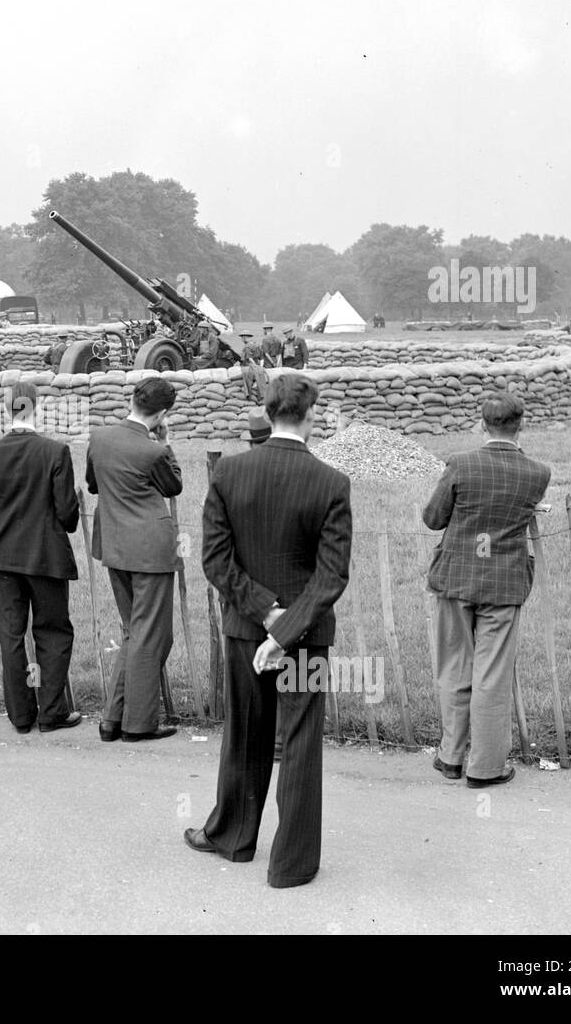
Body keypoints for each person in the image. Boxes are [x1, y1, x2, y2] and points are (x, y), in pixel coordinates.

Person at [186, 373, 352, 888]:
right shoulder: (331, 482)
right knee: (300, 742)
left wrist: (264, 615)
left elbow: (215, 560)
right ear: (310, 416)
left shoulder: (230, 473)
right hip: (303, 637)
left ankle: (233, 838)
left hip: (245, 629)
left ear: (267, 410)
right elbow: (331, 576)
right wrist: (286, 628)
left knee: (244, 734)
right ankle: (293, 864)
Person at [422, 391, 551, 789]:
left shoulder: (460, 464)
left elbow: (433, 518)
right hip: (504, 582)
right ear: (521, 426)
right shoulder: (537, 473)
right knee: (491, 676)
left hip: (457, 579)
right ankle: (485, 767)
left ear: (482, 424)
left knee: (454, 669)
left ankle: (450, 757)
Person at [0, 381, 80, 735]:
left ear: (8, 408)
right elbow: (67, 514)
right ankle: (51, 712)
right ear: (35, 407)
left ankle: (20, 715)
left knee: (11, 635)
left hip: (5, 560)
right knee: (53, 632)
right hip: (46, 557)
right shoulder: (55, 452)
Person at [85, 377, 182, 743]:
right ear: (162, 414)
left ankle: (112, 719)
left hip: (114, 546)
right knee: (152, 636)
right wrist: (165, 443)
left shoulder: (99, 438)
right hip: (149, 551)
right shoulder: (153, 451)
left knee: (134, 632)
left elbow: (93, 484)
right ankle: (138, 724)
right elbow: (173, 485)